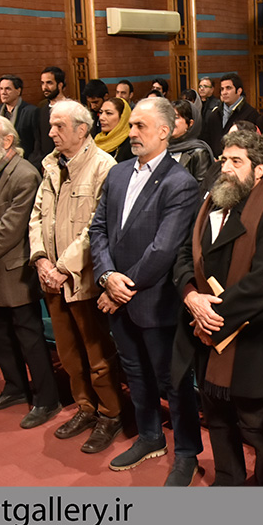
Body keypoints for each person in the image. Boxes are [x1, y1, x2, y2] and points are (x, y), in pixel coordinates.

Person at [88, 97, 203, 486]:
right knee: (135, 372)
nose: (132, 132)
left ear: (164, 132)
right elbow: (97, 229)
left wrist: (122, 286)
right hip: (119, 295)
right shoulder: (118, 173)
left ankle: (187, 453)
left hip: (155, 302)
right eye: (131, 125)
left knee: (173, 382)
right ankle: (151, 436)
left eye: (140, 126)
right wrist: (106, 277)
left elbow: (164, 249)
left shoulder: (180, 182)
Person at [172, 129, 263, 486]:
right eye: (224, 159)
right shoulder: (211, 201)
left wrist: (213, 314)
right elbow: (184, 255)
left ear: (258, 171)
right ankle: (229, 480)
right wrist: (191, 297)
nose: (225, 167)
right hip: (204, 329)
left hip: (248, 333)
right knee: (216, 416)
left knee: (255, 422)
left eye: (236, 161)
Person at [29, 100, 124, 453]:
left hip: (80, 279)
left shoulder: (104, 167)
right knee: (69, 355)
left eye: (59, 126)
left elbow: (97, 228)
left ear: (82, 130)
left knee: (97, 355)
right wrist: (40, 260)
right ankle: (85, 408)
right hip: (51, 277)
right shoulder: (51, 165)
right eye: (51, 126)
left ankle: (110, 414)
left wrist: (62, 267)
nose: (51, 133)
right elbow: (37, 216)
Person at [0, 115, 60, 429]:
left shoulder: (25, 175)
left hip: (14, 271)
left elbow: (10, 230)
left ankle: (47, 399)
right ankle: (16, 387)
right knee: (0, 333)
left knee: (29, 337)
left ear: (7, 141)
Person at [202, 73, 261, 157]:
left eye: (228, 88)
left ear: (239, 91)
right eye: (222, 89)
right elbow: (207, 140)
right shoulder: (214, 115)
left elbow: (254, 146)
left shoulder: (251, 114)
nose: (224, 92)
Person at [0, 75, 40, 168]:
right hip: (2, 162)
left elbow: (38, 143)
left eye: (8, 89)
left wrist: (31, 164)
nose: (3, 92)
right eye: (1, 89)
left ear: (18, 91)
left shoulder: (31, 111)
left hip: (24, 163)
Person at [169, 99, 214, 185]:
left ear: (190, 123)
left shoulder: (199, 152)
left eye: (176, 117)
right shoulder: (164, 147)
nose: (171, 122)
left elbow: (202, 188)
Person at [95, 97, 133, 162]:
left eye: (108, 113)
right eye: (101, 112)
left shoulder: (131, 144)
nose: (101, 118)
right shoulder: (97, 140)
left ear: (123, 117)